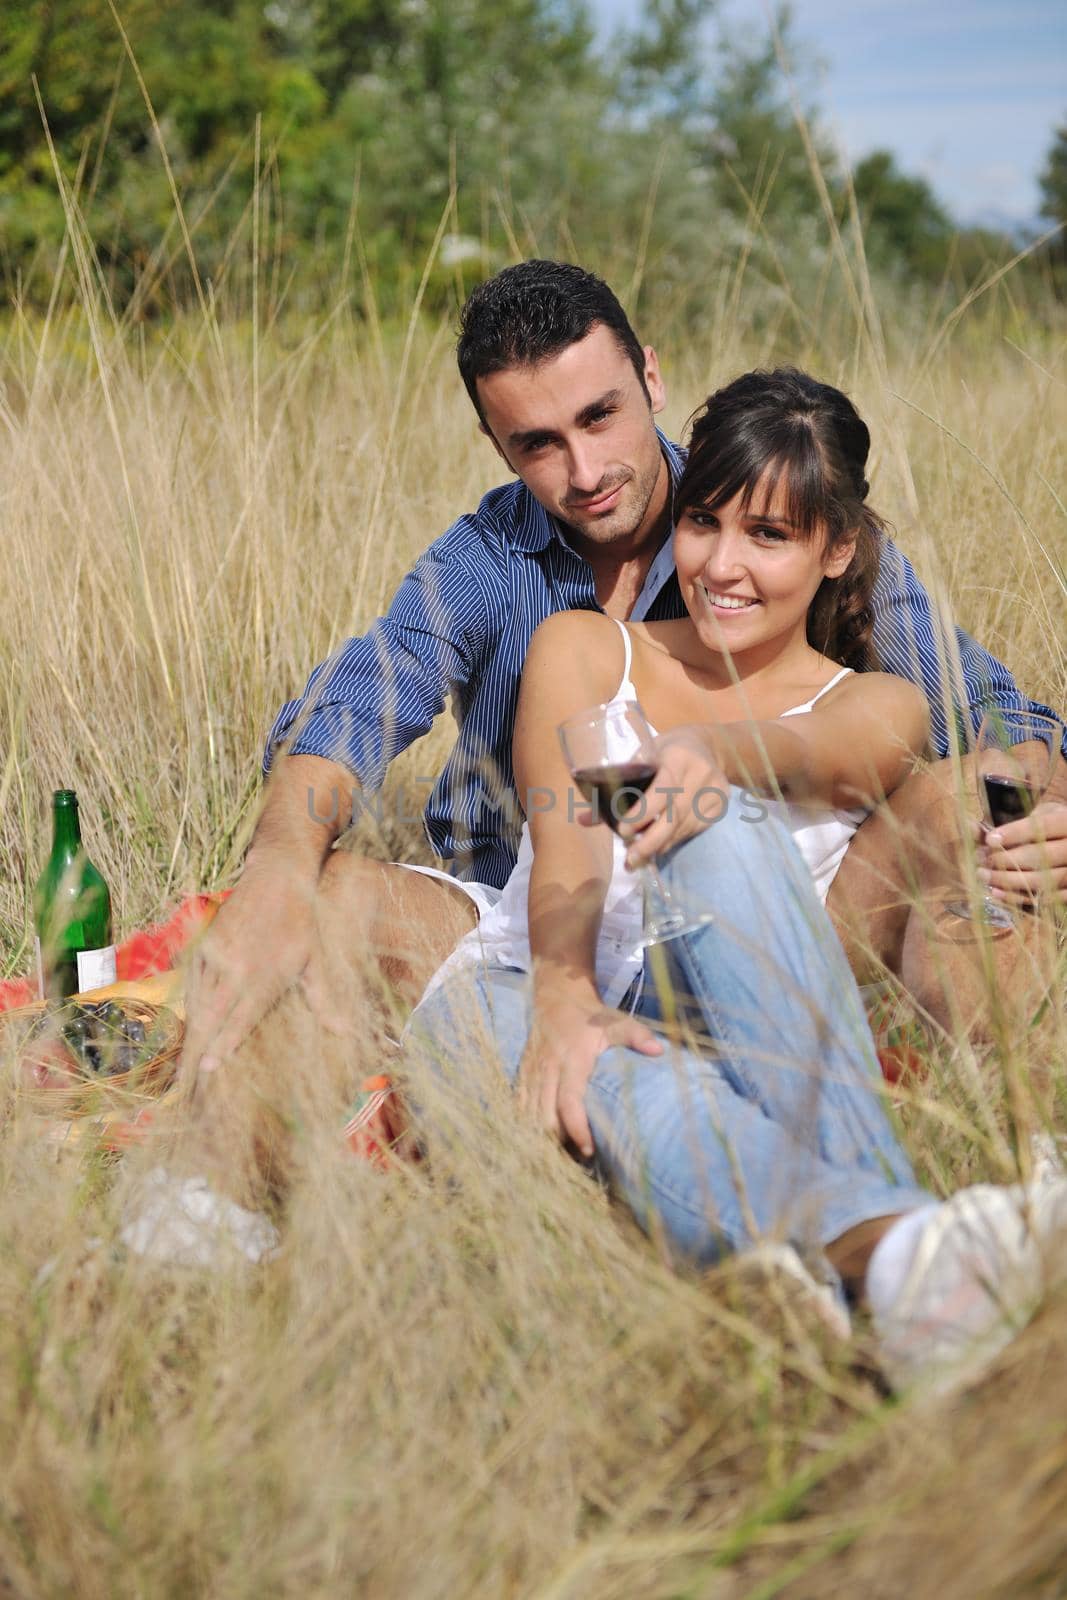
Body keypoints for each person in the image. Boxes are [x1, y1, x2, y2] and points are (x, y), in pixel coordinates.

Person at [179, 261, 1067, 1147]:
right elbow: (359, 702)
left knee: (986, 811)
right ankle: (227, 1182)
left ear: (650, 377)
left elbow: (990, 717)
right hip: (522, 902)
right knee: (325, 895)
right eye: (538, 443)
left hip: (768, 918)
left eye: (599, 415)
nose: (586, 470)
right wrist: (282, 863)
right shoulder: (486, 560)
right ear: (498, 446)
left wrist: (1041, 810)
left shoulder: (763, 503)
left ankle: (1024, 1145)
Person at [401, 367, 1067, 1396]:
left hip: (735, 1016)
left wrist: (715, 752)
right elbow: (564, 839)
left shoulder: (881, 701)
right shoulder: (583, 649)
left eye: (768, 536)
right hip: (524, 986)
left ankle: (886, 1262)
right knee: (615, 1068)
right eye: (704, 521)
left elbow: (817, 752)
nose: (719, 565)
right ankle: (908, 1255)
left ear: (835, 549)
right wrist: (566, 1000)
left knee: (706, 837)